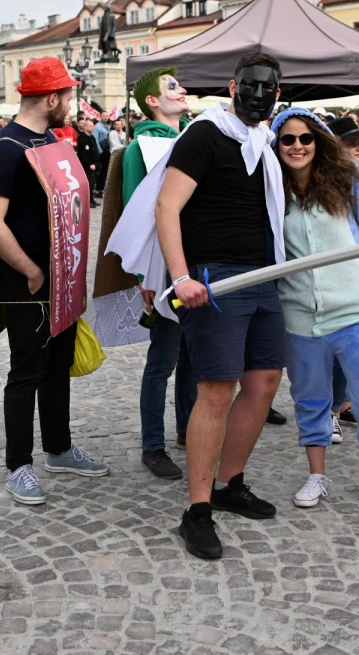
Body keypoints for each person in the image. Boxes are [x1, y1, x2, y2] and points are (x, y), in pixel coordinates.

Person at [114, 52, 288, 560]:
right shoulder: (205, 134)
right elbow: (166, 205)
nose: (258, 95)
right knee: (215, 389)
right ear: (233, 87)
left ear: (278, 94)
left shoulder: (266, 143)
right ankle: (197, 509)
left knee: (264, 382)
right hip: (213, 279)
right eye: (250, 86)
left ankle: (230, 483)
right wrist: (181, 276)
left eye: (268, 88)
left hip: (263, 274)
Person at [0, 58, 109, 506]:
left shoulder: (49, 140)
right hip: (28, 285)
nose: (71, 104)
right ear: (52, 98)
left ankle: (59, 448)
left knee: (57, 366)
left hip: (61, 278)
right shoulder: (5, 148)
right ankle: (18, 465)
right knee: (27, 372)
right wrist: (31, 269)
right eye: (68, 96)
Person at [271, 108, 359, 511]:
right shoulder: (270, 187)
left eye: (305, 138)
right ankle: (317, 475)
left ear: (319, 140)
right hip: (299, 316)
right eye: (287, 139)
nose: (297, 146)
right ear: (276, 144)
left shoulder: (348, 176)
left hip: (357, 311)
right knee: (311, 401)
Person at [124, 67, 198, 479]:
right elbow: (136, 215)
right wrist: (144, 278)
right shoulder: (140, 148)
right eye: (171, 86)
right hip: (163, 269)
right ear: (152, 101)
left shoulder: (194, 136)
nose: (181, 89)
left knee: (194, 355)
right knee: (163, 360)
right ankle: (152, 444)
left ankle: (189, 428)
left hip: (197, 263)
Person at [75, 116, 101, 207]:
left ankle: (92, 200)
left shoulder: (92, 137)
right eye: (90, 126)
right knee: (88, 184)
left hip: (94, 165)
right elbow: (84, 154)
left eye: (93, 126)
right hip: (87, 166)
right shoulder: (82, 139)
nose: (92, 128)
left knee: (92, 184)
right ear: (85, 127)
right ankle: (88, 202)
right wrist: (89, 163)